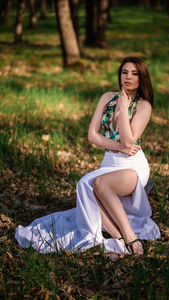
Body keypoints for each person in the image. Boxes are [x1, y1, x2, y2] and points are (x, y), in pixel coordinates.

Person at [15, 57, 160, 256]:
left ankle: (131, 237)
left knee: (100, 184)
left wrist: (125, 108)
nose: (128, 77)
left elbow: (129, 142)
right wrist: (119, 146)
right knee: (85, 184)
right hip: (110, 161)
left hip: (132, 166)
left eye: (134, 73)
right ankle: (117, 237)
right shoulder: (107, 97)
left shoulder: (144, 106)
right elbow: (93, 135)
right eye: (124, 72)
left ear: (141, 78)